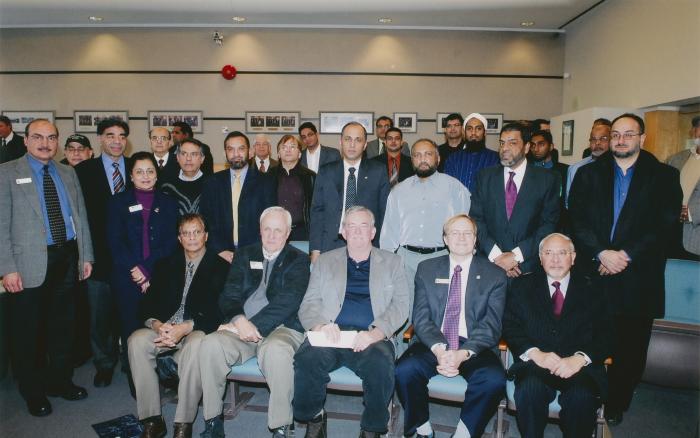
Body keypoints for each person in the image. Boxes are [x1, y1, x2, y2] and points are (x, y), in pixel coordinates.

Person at [568, 113, 682, 425]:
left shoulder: (664, 177)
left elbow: (663, 227)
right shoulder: (589, 174)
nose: (620, 139)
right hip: (594, 273)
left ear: (643, 139)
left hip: (638, 277)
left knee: (630, 351)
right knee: (587, 341)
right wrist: (602, 253)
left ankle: (616, 403)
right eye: (616, 134)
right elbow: (576, 219)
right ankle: (585, 399)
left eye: (628, 134)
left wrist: (624, 255)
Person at [0, 119, 93, 416]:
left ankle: (60, 382)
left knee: (63, 328)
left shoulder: (67, 172)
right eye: (38, 137)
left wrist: (85, 257)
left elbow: (80, 217)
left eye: (51, 137)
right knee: (28, 333)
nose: (45, 143)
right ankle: (33, 391)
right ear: (25, 140)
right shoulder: (6, 173)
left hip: (66, 258)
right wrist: (7, 268)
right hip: (26, 265)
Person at [294, 206, 409, 438]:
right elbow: (309, 303)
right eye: (351, 226)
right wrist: (320, 326)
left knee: (380, 366)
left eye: (363, 226)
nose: (357, 232)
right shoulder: (325, 261)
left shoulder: (393, 262)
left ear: (373, 232)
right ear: (343, 232)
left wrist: (375, 333)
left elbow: (401, 306)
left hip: (370, 335)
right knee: (306, 359)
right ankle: (315, 417)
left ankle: (371, 429)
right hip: (331, 333)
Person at [199, 207, 310, 438]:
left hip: (283, 328)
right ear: (259, 230)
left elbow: (288, 302)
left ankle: (280, 427)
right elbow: (229, 294)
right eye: (267, 229)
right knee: (210, 344)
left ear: (288, 232)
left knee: (276, 350)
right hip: (242, 327)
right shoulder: (245, 254)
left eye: (278, 230)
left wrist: (252, 325)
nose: (271, 235)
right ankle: (213, 421)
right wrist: (239, 321)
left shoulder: (299, 260)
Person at [395, 214, 507, 438]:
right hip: (434, 342)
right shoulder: (426, 269)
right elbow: (421, 317)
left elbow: (491, 326)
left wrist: (462, 354)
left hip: (474, 345)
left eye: (468, 233)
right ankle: (422, 428)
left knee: (494, 379)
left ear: (476, 239)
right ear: (445, 239)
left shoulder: (495, 275)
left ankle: (465, 433)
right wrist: (440, 349)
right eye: (455, 232)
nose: (462, 237)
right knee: (404, 369)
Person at [127, 213, 229, 438]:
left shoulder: (221, 266)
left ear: (206, 236)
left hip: (195, 328)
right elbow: (146, 305)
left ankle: (183, 423)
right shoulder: (165, 265)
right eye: (186, 233)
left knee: (195, 345)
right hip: (165, 328)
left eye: (197, 232)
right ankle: (152, 419)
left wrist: (185, 327)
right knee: (135, 341)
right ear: (179, 238)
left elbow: (219, 311)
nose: (192, 237)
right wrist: (157, 325)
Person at [502, 233, 613, 438]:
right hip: (536, 364)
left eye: (562, 253)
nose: (555, 259)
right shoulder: (521, 286)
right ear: (540, 257)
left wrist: (581, 358)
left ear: (573, 257)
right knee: (529, 390)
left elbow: (608, 333)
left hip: (580, 367)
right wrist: (535, 354)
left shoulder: (594, 287)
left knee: (581, 397)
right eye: (549, 253)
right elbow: (509, 326)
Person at [380, 139, 470, 334]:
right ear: (411, 160)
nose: (423, 159)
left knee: (439, 313)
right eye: (417, 155)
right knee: (403, 311)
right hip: (406, 260)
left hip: (440, 258)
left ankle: (438, 357)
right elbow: (389, 232)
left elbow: (466, 229)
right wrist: (387, 265)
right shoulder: (398, 191)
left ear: (437, 158)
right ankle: (401, 359)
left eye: (428, 154)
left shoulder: (455, 188)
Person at [106, 151, 179, 374]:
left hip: (158, 274)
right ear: (131, 175)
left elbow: (170, 242)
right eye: (139, 171)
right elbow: (114, 240)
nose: (145, 176)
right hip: (126, 275)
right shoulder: (118, 203)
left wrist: (147, 269)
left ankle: (159, 373)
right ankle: (133, 376)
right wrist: (136, 270)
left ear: (157, 175)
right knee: (130, 326)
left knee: (156, 326)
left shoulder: (168, 203)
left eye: (150, 171)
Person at [75, 118, 133, 387]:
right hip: (97, 257)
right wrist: (84, 255)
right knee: (99, 316)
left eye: (122, 135)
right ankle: (104, 364)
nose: (117, 140)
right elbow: (78, 217)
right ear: (100, 138)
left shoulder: (137, 168)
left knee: (129, 314)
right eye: (110, 135)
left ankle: (132, 364)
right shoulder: (83, 171)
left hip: (131, 258)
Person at [469, 122, 560, 278]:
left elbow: (548, 224)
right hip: (490, 266)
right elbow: (476, 219)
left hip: (527, 268)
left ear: (526, 147)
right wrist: (497, 256)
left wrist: (516, 256)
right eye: (502, 143)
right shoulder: (485, 177)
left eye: (512, 143)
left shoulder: (547, 179)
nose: (505, 148)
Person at [309, 122, 390, 262]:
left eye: (358, 140)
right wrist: (315, 249)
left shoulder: (378, 171)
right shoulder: (326, 171)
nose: (352, 145)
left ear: (365, 145)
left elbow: (385, 213)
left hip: (366, 246)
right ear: (340, 142)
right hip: (331, 245)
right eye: (348, 139)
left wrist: (383, 247)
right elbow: (317, 212)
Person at [199, 131, 276, 264]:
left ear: (250, 152)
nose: (236, 154)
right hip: (220, 255)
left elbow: (270, 220)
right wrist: (220, 250)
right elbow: (205, 220)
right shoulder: (212, 182)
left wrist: (256, 250)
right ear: (225, 153)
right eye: (231, 149)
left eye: (241, 149)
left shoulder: (266, 182)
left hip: (255, 253)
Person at [268, 135, 316, 241]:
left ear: (299, 154)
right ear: (278, 154)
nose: (288, 150)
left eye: (292, 147)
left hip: (302, 231)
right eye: (284, 147)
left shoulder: (310, 176)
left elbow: (316, 208)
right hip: (274, 231)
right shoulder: (268, 175)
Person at [666, 115, 700, 257]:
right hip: (671, 234)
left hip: (696, 236)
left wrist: (691, 213)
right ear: (693, 131)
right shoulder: (676, 159)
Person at [444, 113, 500, 192]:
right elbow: (448, 187)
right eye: (469, 128)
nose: (473, 132)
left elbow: (497, 188)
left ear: (485, 133)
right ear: (464, 133)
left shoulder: (495, 158)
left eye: (478, 128)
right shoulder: (453, 159)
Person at [565, 118, 612, 202]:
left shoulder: (620, 168)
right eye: (593, 139)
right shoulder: (576, 169)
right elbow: (570, 204)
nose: (597, 143)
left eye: (603, 138)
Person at [161, 138, 207, 215]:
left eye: (194, 154)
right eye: (184, 154)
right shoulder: (167, 185)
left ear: (202, 159)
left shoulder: (212, 184)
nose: (188, 159)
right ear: (178, 158)